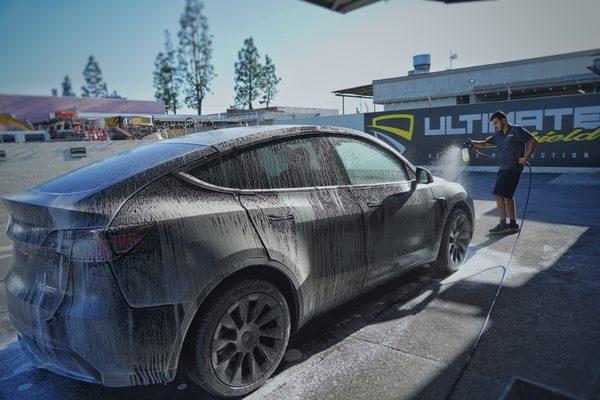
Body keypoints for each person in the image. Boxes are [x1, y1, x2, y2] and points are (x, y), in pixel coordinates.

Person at [469, 110, 538, 235]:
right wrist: (473, 143)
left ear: (503, 120)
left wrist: (526, 157)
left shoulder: (516, 130)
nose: (495, 126)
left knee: (497, 194)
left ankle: (503, 224)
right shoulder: (497, 134)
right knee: (507, 196)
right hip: (504, 167)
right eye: (493, 124)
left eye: (496, 123)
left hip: (513, 167)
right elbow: (485, 144)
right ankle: (513, 224)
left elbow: (533, 141)